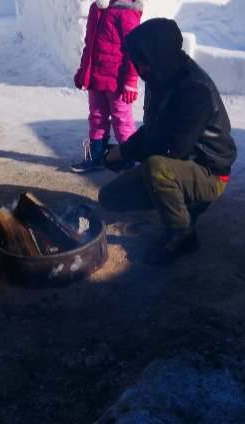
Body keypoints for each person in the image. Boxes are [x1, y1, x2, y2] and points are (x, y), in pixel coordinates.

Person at [98, 18, 237, 264]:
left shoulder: (195, 89)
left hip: (209, 173)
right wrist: (123, 150)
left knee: (156, 167)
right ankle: (177, 203)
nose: (140, 70)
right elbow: (154, 131)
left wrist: (126, 153)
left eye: (143, 62)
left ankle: (183, 234)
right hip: (178, 165)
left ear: (158, 56)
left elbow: (172, 147)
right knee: (110, 197)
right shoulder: (160, 79)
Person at [71, 0, 144, 172]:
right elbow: (90, 45)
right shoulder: (96, 9)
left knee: (122, 119)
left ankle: (128, 159)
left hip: (117, 81)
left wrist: (131, 80)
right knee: (97, 116)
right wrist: (84, 71)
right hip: (96, 79)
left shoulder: (125, 14)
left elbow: (135, 50)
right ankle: (97, 153)